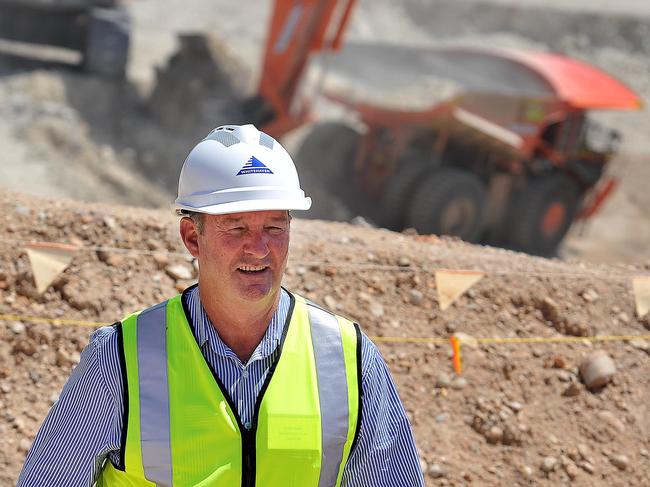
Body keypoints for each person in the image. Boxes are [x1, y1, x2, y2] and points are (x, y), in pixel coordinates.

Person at [18, 124, 425, 486]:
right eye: (236, 228)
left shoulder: (347, 359)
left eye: (274, 227)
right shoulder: (120, 360)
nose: (259, 248)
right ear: (192, 238)